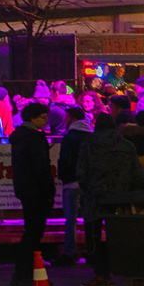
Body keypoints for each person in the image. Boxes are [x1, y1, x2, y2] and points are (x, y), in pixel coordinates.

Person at [76, 107, 142, 286]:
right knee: (117, 235)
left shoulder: (88, 145)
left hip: (95, 196)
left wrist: (87, 189)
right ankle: (118, 272)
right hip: (120, 197)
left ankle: (100, 274)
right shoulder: (127, 146)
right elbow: (137, 173)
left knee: (94, 236)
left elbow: (81, 172)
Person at [9, 102, 55, 286]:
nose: (45, 121)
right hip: (37, 190)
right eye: (43, 117)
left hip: (25, 188)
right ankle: (27, 273)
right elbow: (41, 168)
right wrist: (49, 191)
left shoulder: (20, 137)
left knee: (31, 231)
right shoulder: (35, 139)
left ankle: (23, 272)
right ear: (33, 118)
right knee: (34, 233)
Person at [54, 102, 92, 266]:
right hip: (89, 183)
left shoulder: (70, 137)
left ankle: (69, 252)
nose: (65, 120)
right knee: (90, 218)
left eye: (67, 117)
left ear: (73, 118)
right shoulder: (92, 136)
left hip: (72, 183)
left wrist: (64, 176)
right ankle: (92, 251)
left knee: (71, 220)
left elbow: (65, 160)